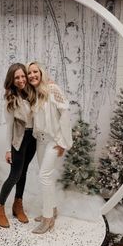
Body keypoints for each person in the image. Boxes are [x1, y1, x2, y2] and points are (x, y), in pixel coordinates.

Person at [27, 61, 73, 234]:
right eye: (29, 73)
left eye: (35, 72)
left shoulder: (52, 89)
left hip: (54, 140)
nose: (32, 75)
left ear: (41, 72)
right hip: (41, 140)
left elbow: (65, 113)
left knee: (44, 176)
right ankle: (52, 208)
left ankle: (48, 219)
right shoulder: (35, 93)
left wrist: (63, 142)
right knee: (47, 176)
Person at [0, 63, 36, 228]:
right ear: (12, 80)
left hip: (32, 139)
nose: (21, 80)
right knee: (15, 174)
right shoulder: (10, 100)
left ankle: (18, 205)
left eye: (22, 76)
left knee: (24, 172)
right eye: (17, 77)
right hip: (18, 140)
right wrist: (7, 150)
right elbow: (9, 127)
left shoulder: (32, 93)